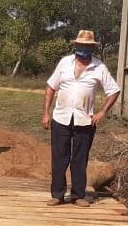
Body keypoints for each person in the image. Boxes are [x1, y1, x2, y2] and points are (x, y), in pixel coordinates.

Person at [41, 30, 121, 207]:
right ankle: (58, 194)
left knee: (80, 159)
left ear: (92, 48)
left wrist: (102, 112)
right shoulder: (64, 63)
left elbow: (114, 90)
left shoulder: (99, 67)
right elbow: (50, 87)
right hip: (61, 118)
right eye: (81, 45)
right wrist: (46, 112)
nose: (84, 49)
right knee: (59, 158)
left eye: (87, 46)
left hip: (85, 120)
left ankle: (78, 195)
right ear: (75, 46)